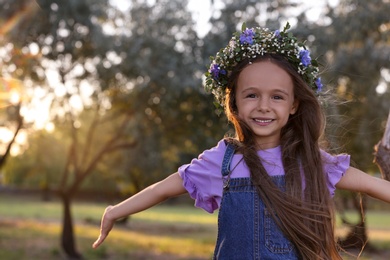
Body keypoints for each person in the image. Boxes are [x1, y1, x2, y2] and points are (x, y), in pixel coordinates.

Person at [92, 23, 390, 259]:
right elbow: (164, 188)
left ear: (294, 105)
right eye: (251, 95)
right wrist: (115, 211)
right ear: (234, 103)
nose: (263, 106)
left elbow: (369, 184)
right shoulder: (222, 160)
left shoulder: (309, 161)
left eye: (277, 96)